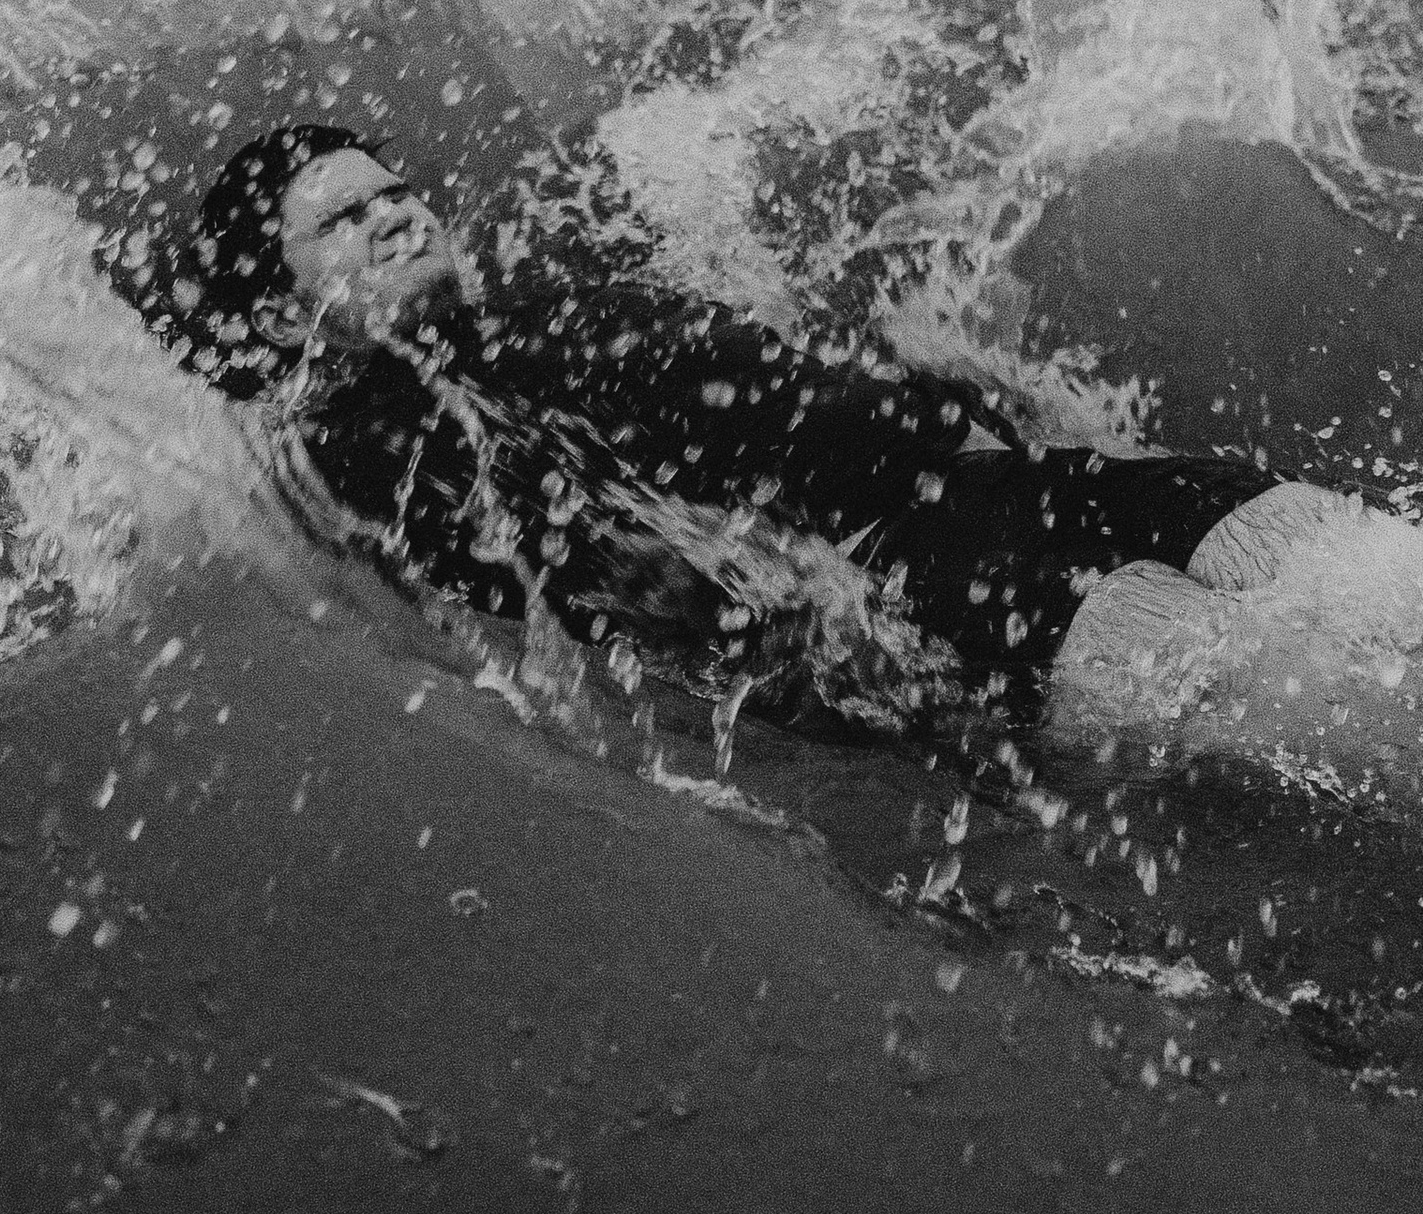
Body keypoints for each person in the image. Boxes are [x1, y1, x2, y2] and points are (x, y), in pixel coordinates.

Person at [163, 122, 1347, 747]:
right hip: (931, 585)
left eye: (391, 192)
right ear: (282, 301)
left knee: (1349, 571)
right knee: (1337, 701)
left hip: (1005, 478)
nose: (391, 215)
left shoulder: (542, 305)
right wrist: (839, 669)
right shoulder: (377, 436)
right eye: (342, 222)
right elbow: (611, 585)